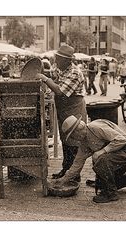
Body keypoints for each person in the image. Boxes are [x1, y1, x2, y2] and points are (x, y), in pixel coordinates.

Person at [51, 115, 126, 203]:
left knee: (101, 160)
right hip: (118, 155)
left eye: (72, 135)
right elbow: (77, 164)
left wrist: (102, 151)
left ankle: (111, 194)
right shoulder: (84, 143)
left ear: (77, 130)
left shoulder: (95, 127)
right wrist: (64, 180)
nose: (73, 139)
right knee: (104, 184)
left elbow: (121, 140)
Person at [36, 44, 87, 182]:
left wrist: (45, 79)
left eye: (58, 58)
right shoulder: (61, 69)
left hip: (74, 109)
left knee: (74, 141)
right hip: (64, 109)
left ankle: (74, 175)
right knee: (65, 140)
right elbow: (53, 76)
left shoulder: (75, 72)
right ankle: (66, 170)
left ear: (66, 60)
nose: (56, 61)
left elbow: (59, 91)